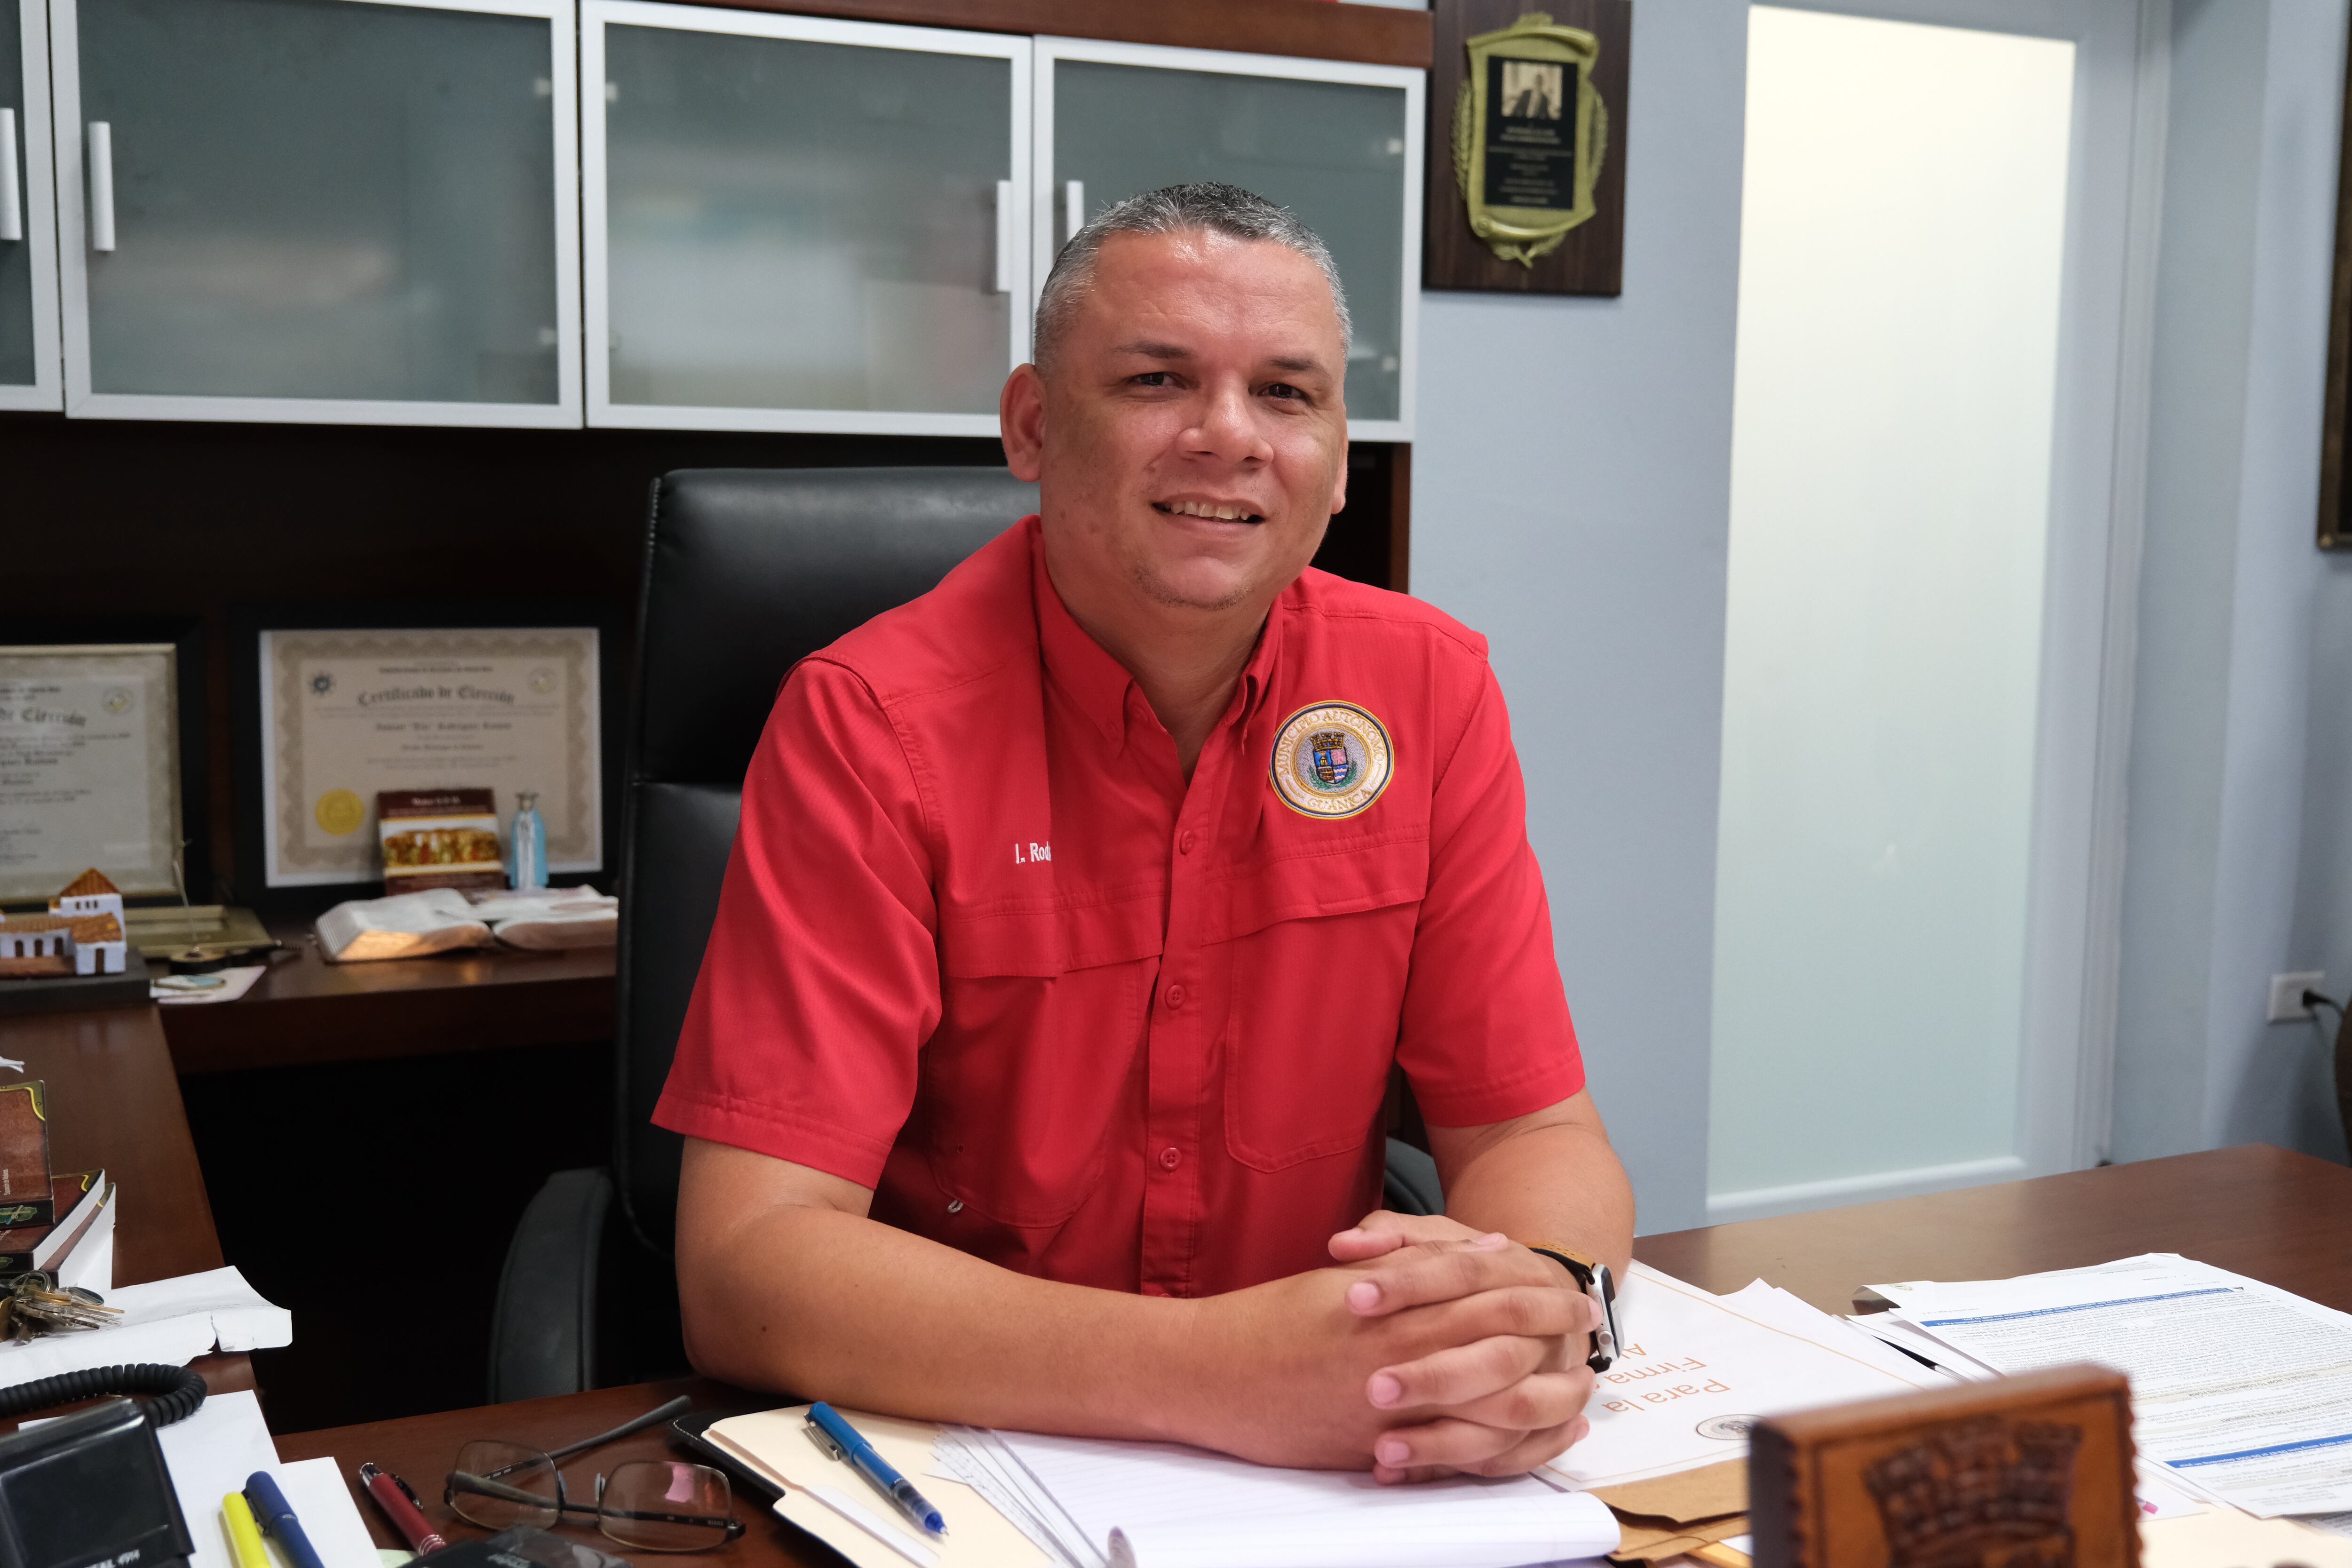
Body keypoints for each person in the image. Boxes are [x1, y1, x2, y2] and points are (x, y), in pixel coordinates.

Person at [655, 182, 1634, 1484]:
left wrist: (1532, 1318)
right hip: (970, 1455)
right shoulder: (871, 723)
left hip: (1335, 1454)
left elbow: (1529, 1137)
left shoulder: (1430, 694)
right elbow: (747, 1263)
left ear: (1341, 459)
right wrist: (1223, 1374)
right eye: (1159, 379)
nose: (1229, 437)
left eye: (1288, 394)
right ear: (1032, 424)